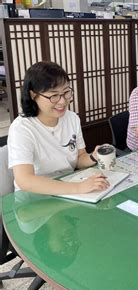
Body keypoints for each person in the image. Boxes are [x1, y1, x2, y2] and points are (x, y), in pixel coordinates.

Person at [7, 61, 109, 195]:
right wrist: (78, 188)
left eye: (66, 92)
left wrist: (93, 157)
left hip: (68, 185)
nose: (62, 101)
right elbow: (25, 180)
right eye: (54, 95)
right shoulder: (22, 128)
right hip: (33, 197)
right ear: (33, 95)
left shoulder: (72, 118)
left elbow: (79, 159)